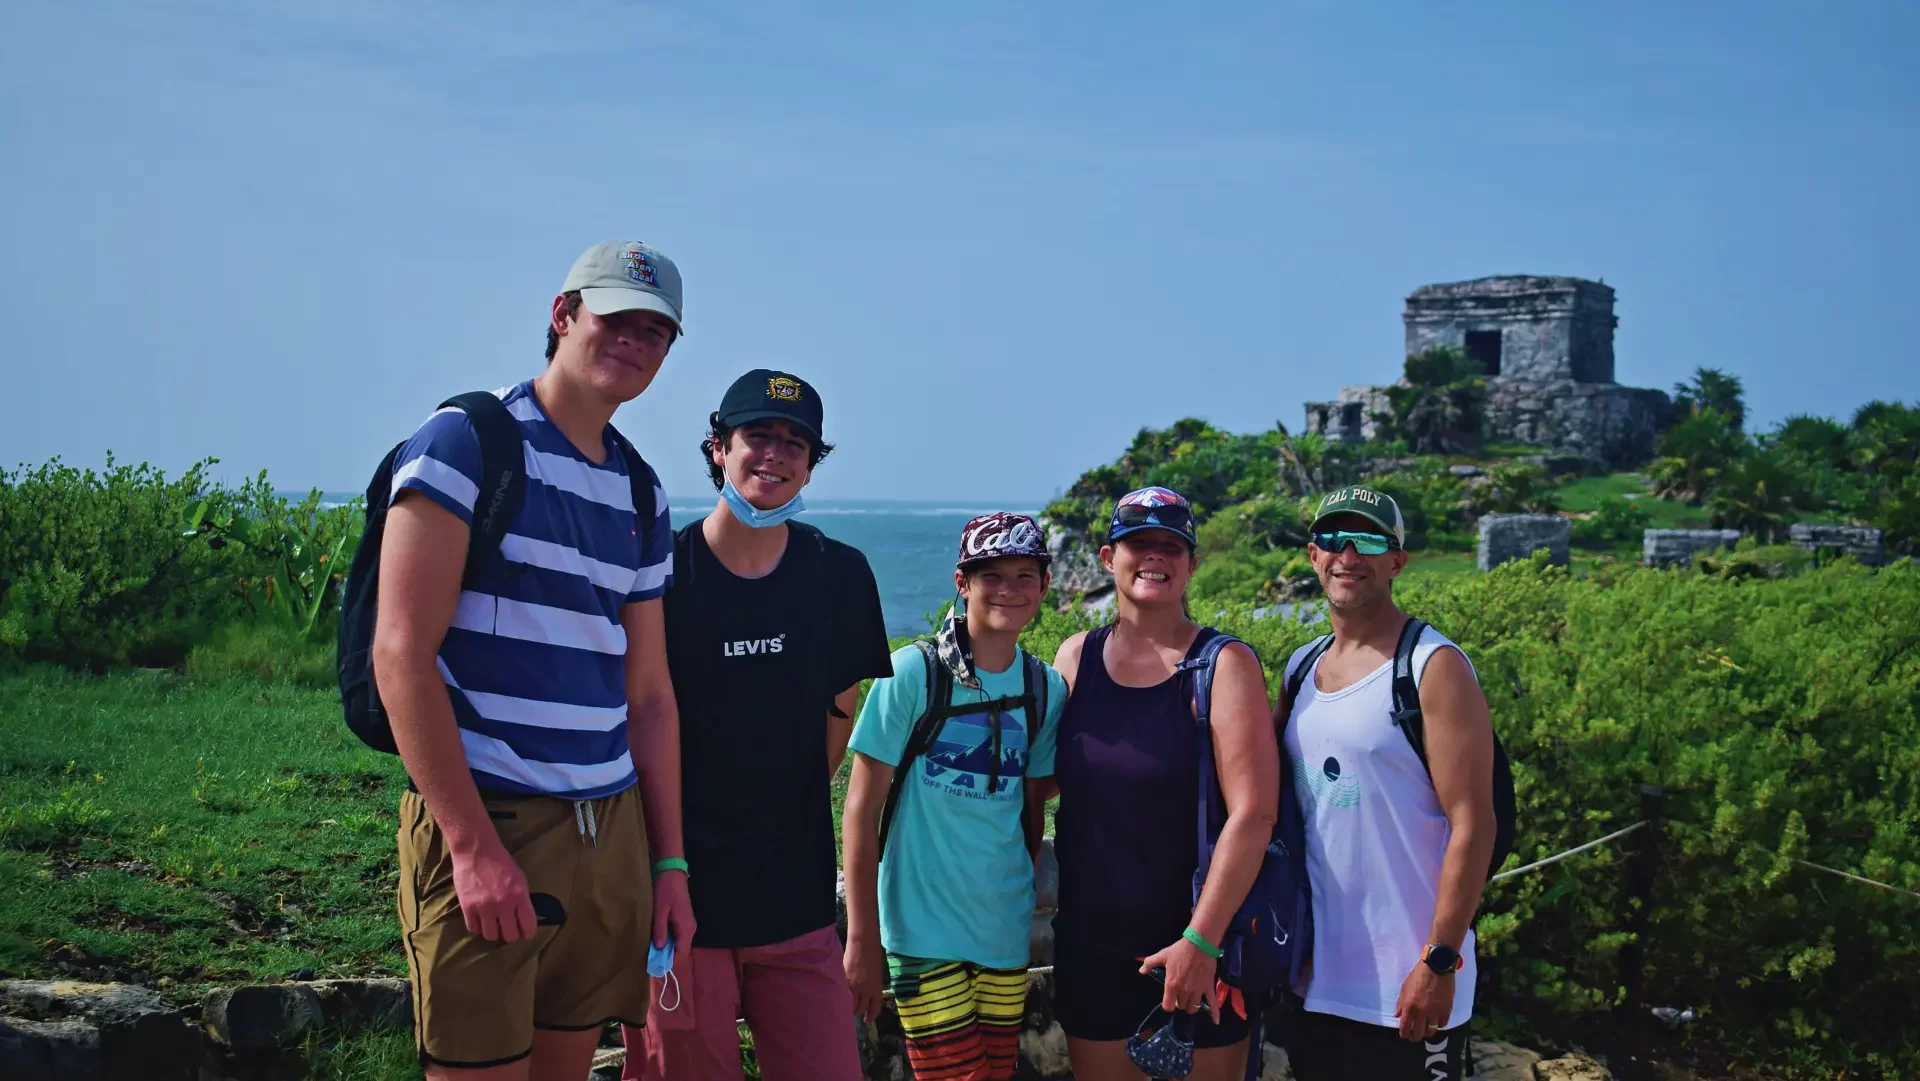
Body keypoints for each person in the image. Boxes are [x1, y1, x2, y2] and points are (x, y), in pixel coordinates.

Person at [373, 239, 695, 1080]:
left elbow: (649, 695)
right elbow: (400, 654)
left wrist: (667, 863)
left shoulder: (641, 488)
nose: (634, 340)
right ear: (563, 315)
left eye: (655, 330)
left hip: (609, 831)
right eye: (616, 317)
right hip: (495, 817)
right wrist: (471, 845)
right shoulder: (466, 442)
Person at [621, 368, 893, 1081]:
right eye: (758, 436)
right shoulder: (661, 573)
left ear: (812, 463)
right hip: (679, 901)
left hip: (796, 898)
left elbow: (836, 719)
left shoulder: (839, 575)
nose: (775, 454)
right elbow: (640, 717)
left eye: (795, 443)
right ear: (719, 447)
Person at [1040, 486, 1281, 1081]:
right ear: (1108, 558)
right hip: (1091, 948)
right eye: (1138, 543)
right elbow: (1037, 783)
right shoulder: (1075, 658)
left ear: (1191, 563)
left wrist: (1202, 941)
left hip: (1199, 947)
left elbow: (1254, 813)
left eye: (1171, 546)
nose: (1154, 556)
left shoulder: (1224, 665)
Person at [1275, 486, 1497, 1081]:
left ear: (1397, 560)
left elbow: (1473, 824)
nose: (1348, 554)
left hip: (1409, 986)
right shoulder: (1301, 667)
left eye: (1368, 540)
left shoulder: (1432, 666)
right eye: (1332, 539)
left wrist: (1440, 962)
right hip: (1314, 980)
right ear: (1313, 555)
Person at [841, 512, 1069, 1081]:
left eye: (1025, 575)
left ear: (1045, 586)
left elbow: (1031, 806)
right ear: (962, 582)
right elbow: (861, 810)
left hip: (1004, 926)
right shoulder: (911, 674)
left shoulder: (1044, 687)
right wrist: (862, 938)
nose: (1009, 589)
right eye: (992, 575)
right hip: (921, 930)